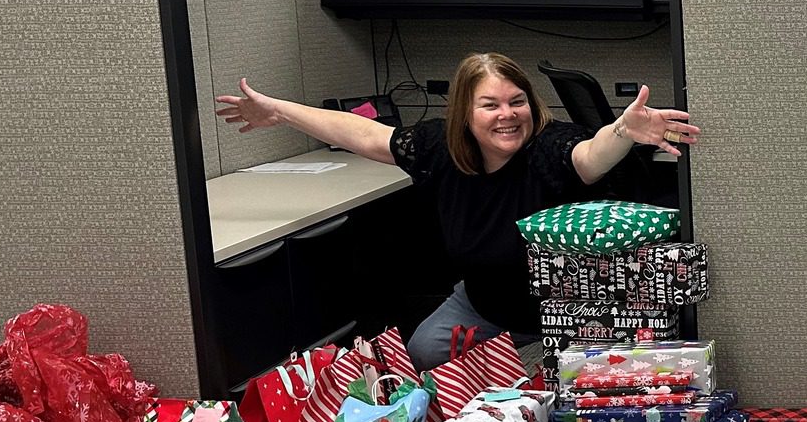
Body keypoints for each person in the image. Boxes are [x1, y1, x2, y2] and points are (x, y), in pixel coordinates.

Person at [216, 52, 698, 369]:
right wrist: (279, 110)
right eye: (490, 105)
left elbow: (590, 156)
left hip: (559, 316)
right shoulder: (439, 150)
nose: (508, 115)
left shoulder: (550, 150)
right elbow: (360, 133)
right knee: (422, 352)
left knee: (542, 385)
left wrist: (624, 130)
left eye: (517, 102)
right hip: (482, 302)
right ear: (465, 114)